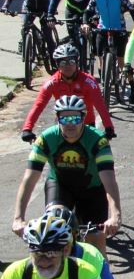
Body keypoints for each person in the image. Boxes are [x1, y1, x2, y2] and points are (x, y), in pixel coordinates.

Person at [14, 96, 122, 254]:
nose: (70, 124)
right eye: (65, 119)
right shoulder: (46, 139)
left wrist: (115, 214)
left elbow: (109, 180)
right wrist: (18, 218)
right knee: (54, 227)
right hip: (60, 186)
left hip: (92, 190)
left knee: (95, 241)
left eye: (75, 118)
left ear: (83, 118)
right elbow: (29, 179)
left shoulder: (98, 140)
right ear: (57, 118)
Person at [21, 42, 115, 142]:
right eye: (63, 63)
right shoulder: (52, 82)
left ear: (77, 63)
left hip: (86, 126)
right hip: (63, 126)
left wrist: (109, 127)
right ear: (57, 65)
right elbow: (38, 105)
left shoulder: (89, 82)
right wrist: (27, 129)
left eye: (71, 61)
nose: (67, 66)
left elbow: (100, 105)